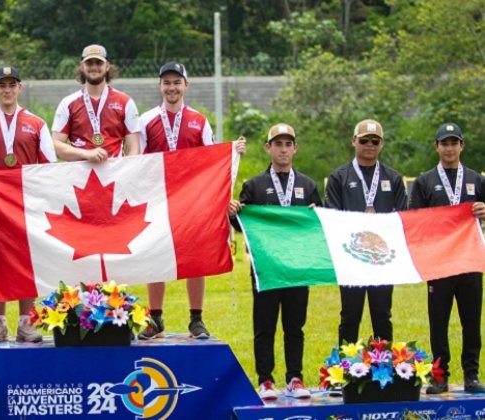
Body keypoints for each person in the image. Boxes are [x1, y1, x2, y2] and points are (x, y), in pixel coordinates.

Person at [0, 66, 103, 343]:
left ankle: (26, 323)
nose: (7, 90)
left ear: (20, 88)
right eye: (1, 85)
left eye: (11, 85)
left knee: (26, 260)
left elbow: (49, 166)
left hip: (25, 205)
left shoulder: (36, 123)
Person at [136, 62, 246, 340]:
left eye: (177, 82)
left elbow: (212, 163)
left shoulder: (199, 121)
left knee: (195, 258)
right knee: (155, 256)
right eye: (166, 83)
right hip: (158, 200)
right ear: (160, 86)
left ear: (186, 85)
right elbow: (138, 162)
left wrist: (232, 154)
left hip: (192, 202)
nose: (171, 88)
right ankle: (156, 317)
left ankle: (196, 319)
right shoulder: (146, 120)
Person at [229, 123, 320, 400]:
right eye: (277, 144)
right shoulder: (254, 185)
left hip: (296, 268)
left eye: (287, 144)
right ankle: (265, 380)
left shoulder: (307, 185)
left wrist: (318, 216)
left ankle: (295, 377)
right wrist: (232, 213)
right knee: (264, 326)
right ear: (268, 148)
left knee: (295, 326)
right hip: (266, 269)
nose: (283, 149)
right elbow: (243, 224)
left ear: (295, 148)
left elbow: (318, 226)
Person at [409, 122, 485, 394]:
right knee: (438, 321)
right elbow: (414, 221)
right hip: (438, 262)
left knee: (471, 320)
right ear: (436, 146)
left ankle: (471, 375)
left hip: (470, 260)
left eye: (454, 143)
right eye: (445, 143)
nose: (449, 148)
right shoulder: (424, 181)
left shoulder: (477, 180)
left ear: (462, 146)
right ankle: (439, 376)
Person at [325, 119, 407, 346]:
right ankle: (343, 370)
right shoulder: (338, 178)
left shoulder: (394, 179)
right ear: (354, 141)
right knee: (349, 316)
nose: (369, 145)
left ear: (382, 144)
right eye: (364, 140)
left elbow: (402, 219)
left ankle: (386, 370)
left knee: (382, 316)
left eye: (375, 141)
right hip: (351, 260)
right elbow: (333, 218)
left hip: (382, 260)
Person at [52, 44, 140, 159]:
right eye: (89, 63)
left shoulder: (125, 102)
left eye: (99, 63)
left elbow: (134, 148)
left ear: (107, 66)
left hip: (115, 175)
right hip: (81, 176)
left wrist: (124, 173)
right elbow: (55, 145)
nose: (94, 67)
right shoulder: (68, 103)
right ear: (82, 66)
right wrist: (86, 154)